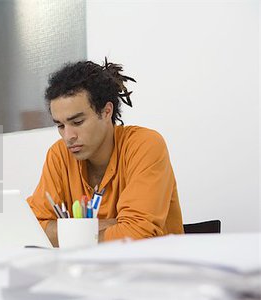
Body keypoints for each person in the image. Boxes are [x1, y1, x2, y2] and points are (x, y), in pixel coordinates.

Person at [27, 58, 184, 247]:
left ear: (106, 111)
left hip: (150, 271)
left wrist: (70, 233)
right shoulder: (59, 155)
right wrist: (110, 226)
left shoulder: (145, 145)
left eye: (77, 122)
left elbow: (138, 234)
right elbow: (31, 230)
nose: (68, 136)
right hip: (87, 273)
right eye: (60, 125)